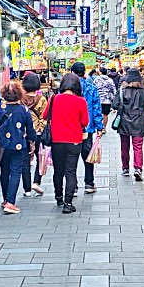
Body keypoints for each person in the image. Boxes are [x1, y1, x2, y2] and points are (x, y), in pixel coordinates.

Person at [0, 82, 35, 215]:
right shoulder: (24, 110)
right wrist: (32, 141)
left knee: (5, 171)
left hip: (2, 145)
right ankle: (10, 202)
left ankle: (5, 199)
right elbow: (30, 130)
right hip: (19, 145)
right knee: (16, 172)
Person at [49, 72, 90, 214]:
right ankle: (68, 203)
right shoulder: (81, 101)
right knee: (70, 172)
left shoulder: (54, 99)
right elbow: (85, 122)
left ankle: (58, 197)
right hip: (74, 140)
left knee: (58, 171)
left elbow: (44, 116)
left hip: (57, 140)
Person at [71, 61, 105, 194]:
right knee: (88, 155)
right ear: (84, 72)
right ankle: (89, 183)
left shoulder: (68, 89)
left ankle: (72, 186)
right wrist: (99, 127)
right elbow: (97, 109)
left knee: (71, 157)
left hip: (71, 127)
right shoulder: (91, 88)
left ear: (72, 73)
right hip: (87, 127)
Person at [115, 67, 144, 181]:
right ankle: (138, 169)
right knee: (138, 147)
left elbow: (115, 105)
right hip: (139, 121)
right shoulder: (143, 91)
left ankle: (125, 168)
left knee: (124, 146)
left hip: (124, 122)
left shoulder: (122, 90)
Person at [20, 71, 48, 197]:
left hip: (23, 134)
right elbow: (45, 117)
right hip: (38, 134)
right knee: (40, 157)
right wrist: (40, 129)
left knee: (25, 160)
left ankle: (27, 189)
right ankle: (36, 181)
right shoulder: (41, 99)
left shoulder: (20, 99)